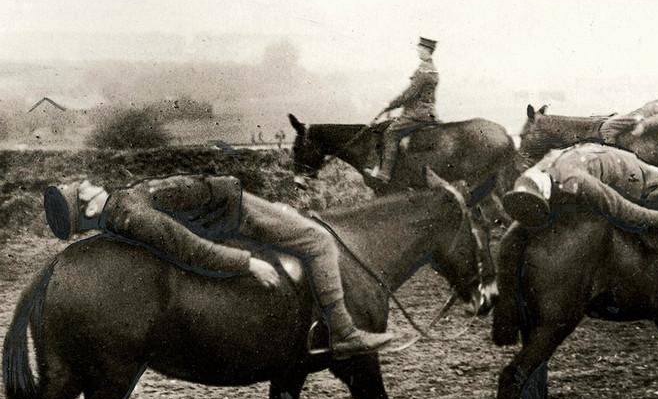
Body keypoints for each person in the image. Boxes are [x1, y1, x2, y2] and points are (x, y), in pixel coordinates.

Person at [42, 175, 396, 358]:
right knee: (319, 241)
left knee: (295, 221)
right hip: (238, 213)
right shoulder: (133, 216)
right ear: (88, 208)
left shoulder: (121, 208)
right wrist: (246, 262)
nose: (87, 183)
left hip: (231, 204)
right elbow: (189, 248)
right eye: (82, 189)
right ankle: (345, 333)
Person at [499, 143, 658, 306]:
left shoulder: (533, 175)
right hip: (634, 174)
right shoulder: (570, 178)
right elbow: (617, 207)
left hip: (613, 161)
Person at [364, 37, 440, 183]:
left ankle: (384, 174)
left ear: (427, 50)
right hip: (428, 112)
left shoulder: (423, 71)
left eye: (421, 48)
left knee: (390, 133)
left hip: (417, 114)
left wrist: (390, 105)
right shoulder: (432, 69)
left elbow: (409, 94)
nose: (418, 50)